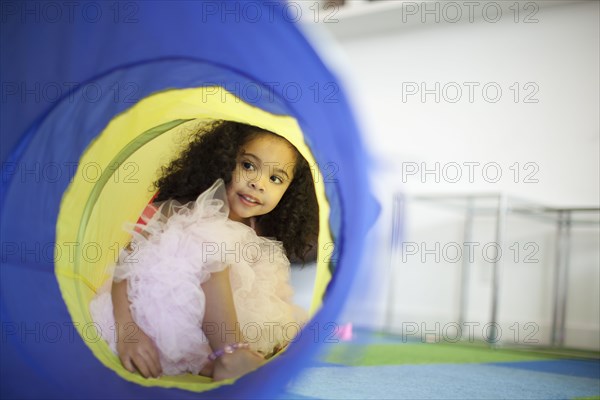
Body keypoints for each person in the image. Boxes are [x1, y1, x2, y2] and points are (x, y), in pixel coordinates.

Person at [89, 120, 319, 381]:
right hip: (155, 312)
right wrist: (128, 331)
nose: (258, 183)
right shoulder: (184, 209)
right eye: (248, 166)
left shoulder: (257, 232)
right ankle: (230, 354)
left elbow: (267, 294)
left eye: (275, 178)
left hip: (206, 329)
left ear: (288, 192)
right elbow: (126, 262)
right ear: (223, 161)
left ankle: (213, 357)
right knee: (212, 240)